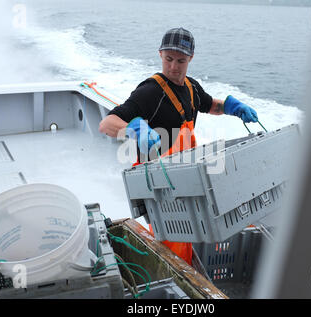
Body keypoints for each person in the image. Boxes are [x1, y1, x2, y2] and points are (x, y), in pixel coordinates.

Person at [99, 27, 258, 265]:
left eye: (181, 60)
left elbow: (210, 105)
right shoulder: (150, 91)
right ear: (160, 54)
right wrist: (132, 129)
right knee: (173, 244)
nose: (174, 66)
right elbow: (106, 123)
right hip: (157, 185)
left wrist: (232, 108)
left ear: (191, 58)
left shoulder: (192, 88)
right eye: (168, 59)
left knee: (199, 229)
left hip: (187, 175)